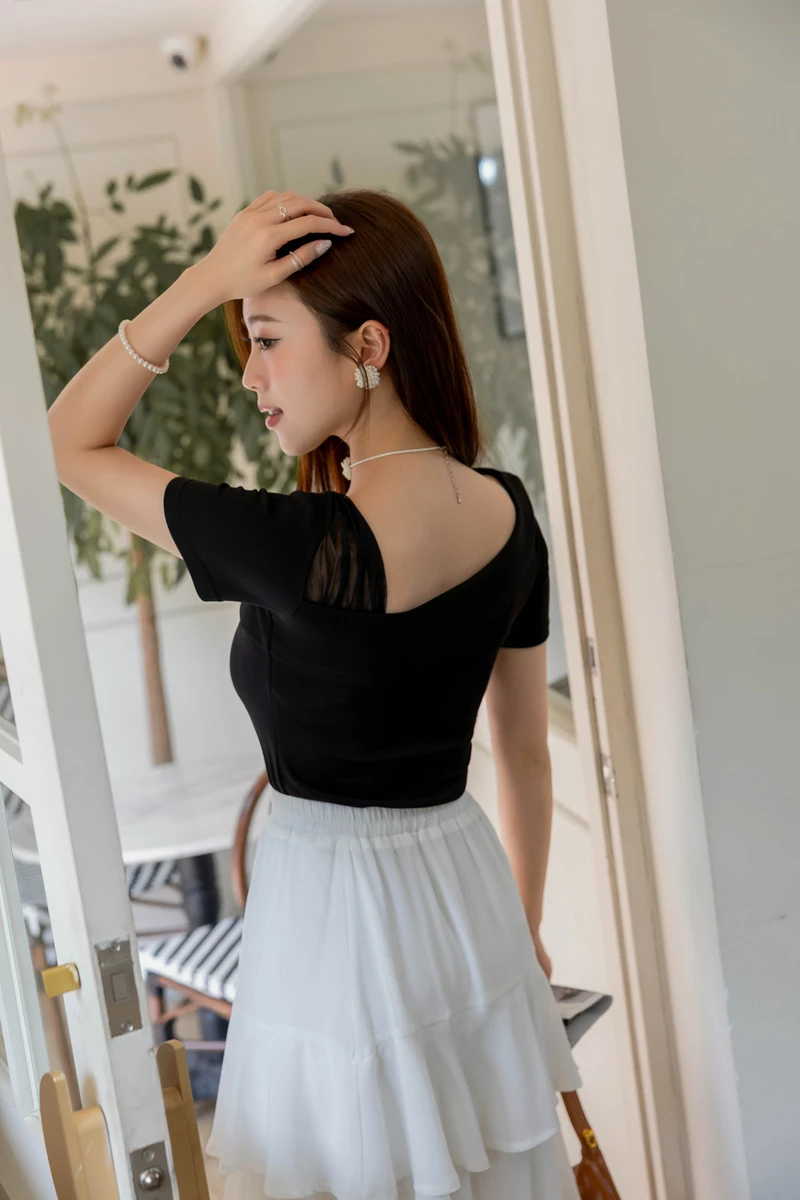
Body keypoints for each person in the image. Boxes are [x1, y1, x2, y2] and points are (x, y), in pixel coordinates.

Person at [47, 187, 581, 1199]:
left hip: (334, 916)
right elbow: (522, 754)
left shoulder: (301, 548)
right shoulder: (509, 515)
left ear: (368, 345)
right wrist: (523, 927)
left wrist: (205, 278)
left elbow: (68, 439)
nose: (251, 376)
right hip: (468, 897)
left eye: (264, 340)